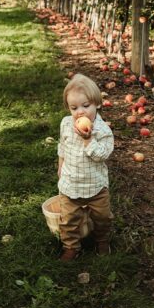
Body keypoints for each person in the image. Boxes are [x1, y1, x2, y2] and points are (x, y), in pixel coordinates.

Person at [56, 74, 115, 261]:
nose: (80, 112)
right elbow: (62, 147)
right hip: (70, 183)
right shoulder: (66, 124)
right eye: (74, 108)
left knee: (103, 217)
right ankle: (71, 246)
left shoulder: (103, 131)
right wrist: (60, 166)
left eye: (85, 106)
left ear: (97, 103)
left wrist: (88, 140)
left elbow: (101, 155)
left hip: (96, 186)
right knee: (68, 219)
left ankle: (102, 241)